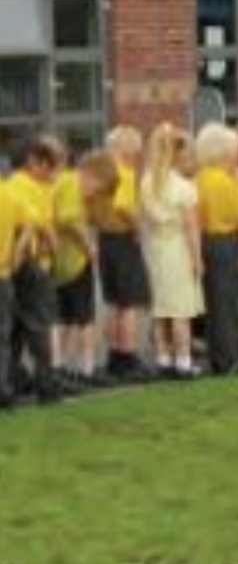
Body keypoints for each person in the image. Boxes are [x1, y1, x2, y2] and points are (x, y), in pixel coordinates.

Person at [141, 124, 204, 378]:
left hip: (155, 248)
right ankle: (184, 361)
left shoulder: (147, 182)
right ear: (177, 153)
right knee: (180, 311)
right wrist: (197, 258)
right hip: (177, 249)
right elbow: (191, 228)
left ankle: (163, 359)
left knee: (160, 309)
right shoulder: (184, 187)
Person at [52, 149, 118, 386]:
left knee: (65, 319)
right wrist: (89, 245)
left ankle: (60, 368)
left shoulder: (65, 182)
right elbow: (68, 219)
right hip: (74, 262)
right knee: (84, 319)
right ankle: (86, 369)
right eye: (97, 187)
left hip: (61, 263)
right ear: (90, 174)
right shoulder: (71, 183)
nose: (95, 193)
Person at [194, 123, 238, 375]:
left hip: (208, 242)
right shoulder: (224, 181)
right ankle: (230, 357)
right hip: (227, 242)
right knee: (229, 303)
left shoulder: (199, 179)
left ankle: (221, 356)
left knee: (215, 303)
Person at [7, 138, 61, 403]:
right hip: (34, 264)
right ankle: (46, 386)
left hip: (12, 268)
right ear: (33, 162)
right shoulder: (32, 188)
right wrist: (53, 248)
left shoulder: (9, 185)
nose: (52, 173)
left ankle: (12, 382)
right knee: (39, 326)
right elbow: (40, 224)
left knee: (14, 327)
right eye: (49, 166)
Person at [95, 125, 150, 380]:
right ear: (129, 149)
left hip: (104, 239)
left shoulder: (101, 174)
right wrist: (138, 228)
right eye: (137, 149)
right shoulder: (124, 174)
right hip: (123, 240)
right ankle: (128, 356)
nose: (138, 154)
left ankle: (113, 355)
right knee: (129, 303)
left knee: (114, 302)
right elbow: (123, 206)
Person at [0, 174, 36, 409]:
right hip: (2, 276)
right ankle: (3, 390)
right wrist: (19, 250)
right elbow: (30, 225)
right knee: (2, 337)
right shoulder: (9, 194)